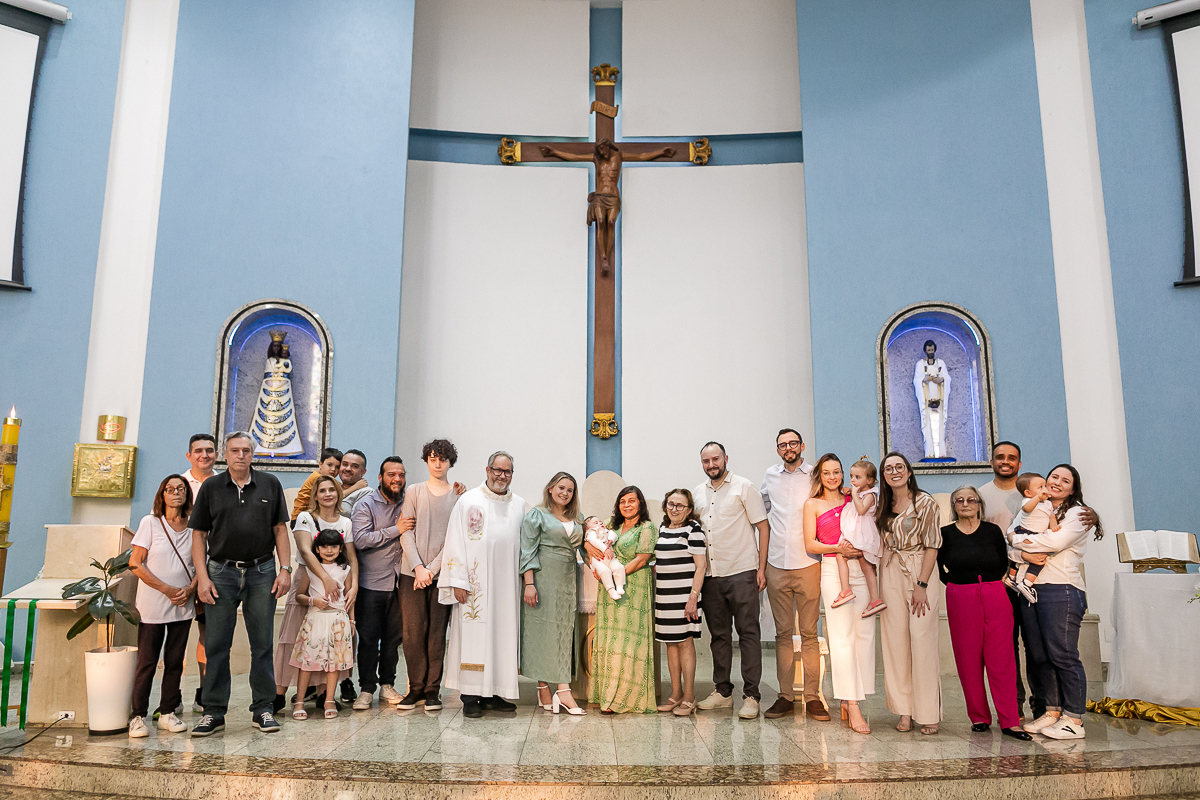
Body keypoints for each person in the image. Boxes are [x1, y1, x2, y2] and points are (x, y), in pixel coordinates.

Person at [189, 432, 291, 737]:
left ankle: (263, 709)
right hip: (221, 573)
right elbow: (198, 536)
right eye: (235, 450)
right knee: (217, 644)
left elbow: (280, 530)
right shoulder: (211, 487)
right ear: (225, 453)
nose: (240, 455)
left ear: (253, 454)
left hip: (262, 572)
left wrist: (285, 569)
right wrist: (202, 578)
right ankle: (213, 712)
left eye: (246, 450)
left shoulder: (270, 484)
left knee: (262, 644)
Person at [937, 486, 1031, 741]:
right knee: (968, 659)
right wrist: (959, 585)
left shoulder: (992, 531)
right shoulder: (945, 534)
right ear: (954, 506)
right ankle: (979, 717)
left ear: (979, 503)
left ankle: (1010, 721)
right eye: (959, 500)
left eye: (971, 499)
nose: (965, 503)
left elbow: (1003, 562)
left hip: (994, 594)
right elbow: (941, 569)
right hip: (960, 596)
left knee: (1002, 660)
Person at [1015, 464, 1102, 741]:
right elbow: (1010, 538)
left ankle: (1074, 719)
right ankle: (1052, 711)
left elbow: (1053, 542)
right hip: (1032, 590)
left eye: (1066, 481)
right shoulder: (1034, 507)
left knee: (1063, 655)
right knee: (1040, 655)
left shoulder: (1079, 514)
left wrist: (1018, 540)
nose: (1057, 483)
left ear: (1073, 488)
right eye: (1054, 477)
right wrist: (1016, 540)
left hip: (1062, 589)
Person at [438, 452, 524, 718]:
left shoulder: (520, 505)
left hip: (507, 588)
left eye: (507, 472)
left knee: (502, 636)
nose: (501, 476)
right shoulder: (468, 501)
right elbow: (454, 542)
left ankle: (495, 692)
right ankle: (472, 696)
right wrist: (457, 581)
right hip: (475, 587)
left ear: (512, 474)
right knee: (474, 637)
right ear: (487, 470)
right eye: (497, 470)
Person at [694, 442, 769, 719]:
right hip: (712, 576)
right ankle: (723, 692)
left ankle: (751, 695)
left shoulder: (744, 487)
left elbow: (763, 526)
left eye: (715, 459)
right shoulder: (698, 493)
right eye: (706, 461)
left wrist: (761, 568)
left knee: (748, 634)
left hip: (743, 571)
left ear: (725, 458)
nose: (711, 464)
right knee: (719, 637)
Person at [803, 454, 875, 735]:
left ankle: (852, 697)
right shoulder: (813, 504)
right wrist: (839, 549)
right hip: (834, 567)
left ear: (844, 474)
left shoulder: (852, 499)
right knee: (842, 636)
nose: (832, 477)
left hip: (862, 565)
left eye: (837, 472)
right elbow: (810, 542)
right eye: (826, 472)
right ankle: (851, 702)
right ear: (819, 476)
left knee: (864, 634)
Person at [273, 474, 357, 713]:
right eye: (322, 490)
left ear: (338, 493)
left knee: (328, 640)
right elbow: (306, 550)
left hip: (338, 583)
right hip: (308, 577)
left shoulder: (345, 522)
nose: (327, 494)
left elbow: (351, 557)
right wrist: (326, 579)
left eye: (332, 489)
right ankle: (280, 693)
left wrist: (355, 586)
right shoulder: (305, 517)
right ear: (315, 495)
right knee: (294, 638)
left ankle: (323, 694)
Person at [759, 428, 827, 721]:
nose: (788, 448)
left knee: (810, 633)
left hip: (809, 561)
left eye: (792, 443)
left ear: (801, 446)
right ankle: (786, 696)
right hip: (776, 563)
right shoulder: (770, 476)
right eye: (782, 445)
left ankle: (812, 697)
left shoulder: (815, 475)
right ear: (778, 450)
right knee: (783, 634)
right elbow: (761, 513)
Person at [877, 451, 943, 735]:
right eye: (888, 468)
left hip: (920, 569)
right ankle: (904, 710)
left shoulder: (925, 502)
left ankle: (928, 712)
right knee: (895, 642)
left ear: (908, 471)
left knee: (922, 639)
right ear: (883, 475)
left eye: (899, 467)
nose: (894, 471)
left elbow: (933, 545)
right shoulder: (882, 505)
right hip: (890, 568)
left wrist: (922, 584)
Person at [396, 439, 463, 711]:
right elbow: (405, 530)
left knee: (436, 634)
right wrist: (418, 568)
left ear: (450, 463)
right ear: (426, 460)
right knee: (412, 634)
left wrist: (432, 569)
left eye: (443, 459)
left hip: (442, 575)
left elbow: (455, 539)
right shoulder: (413, 491)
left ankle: (433, 690)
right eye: (433, 458)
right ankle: (415, 689)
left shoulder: (458, 496)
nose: (438, 463)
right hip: (411, 572)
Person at [128, 475, 197, 737]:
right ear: (162, 495)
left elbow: (200, 562)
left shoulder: (194, 527)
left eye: (181, 489)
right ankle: (137, 716)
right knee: (147, 661)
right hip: (154, 603)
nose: (176, 493)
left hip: (182, 603)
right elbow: (136, 563)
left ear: (187, 495)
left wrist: (189, 589)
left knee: (175, 661)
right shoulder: (150, 523)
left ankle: (167, 711)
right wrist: (166, 589)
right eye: (170, 489)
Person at [350, 456, 413, 710]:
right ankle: (366, 689)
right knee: (368, 638)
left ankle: (387, 685)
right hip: (371, 583)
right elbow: (361, 539)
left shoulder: (409, 501)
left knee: (392, 639)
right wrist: (396, 530)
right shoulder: (365, 504)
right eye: (391, 475)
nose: (397, 479)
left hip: (400, 584)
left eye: (401, 475)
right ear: (380, 477)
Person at [520, 472, 586, 715]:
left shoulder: (577, 518)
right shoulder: (537, 515)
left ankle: (559, 688)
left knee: (564, 633)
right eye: (561, 488)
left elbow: (586, 549)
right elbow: (527, 550)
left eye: (569, 490)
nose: (565, 493)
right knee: (542, 632)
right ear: (550, 489)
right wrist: (529, 583)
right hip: (543, 577)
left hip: (568, 579)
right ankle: (548, 687)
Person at [588, 485, 657, 714]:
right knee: (611, 640)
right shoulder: (610, 524)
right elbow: (589, 538)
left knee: (629, 643)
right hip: (608, 589)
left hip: (634, 587)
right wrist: (591, 550)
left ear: (640, 503)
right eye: (622, 501)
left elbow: (642, 558)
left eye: (632, 501)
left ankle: (628, 697)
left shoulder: (646, 527)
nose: (626, 505)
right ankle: (607, 694)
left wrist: (618, 575)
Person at [289, 530, 355, 721]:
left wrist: (352, 620)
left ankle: (329, 700)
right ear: (317, 549)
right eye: (324, 546)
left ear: (340, 548)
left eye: (333, 546)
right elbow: (298, 596)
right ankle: (299, 701)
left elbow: (349, 598)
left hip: (338, 620)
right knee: (307, 663)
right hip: (316, 618)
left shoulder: (345, 570)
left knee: (334, 665)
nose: (329, 550)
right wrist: (313, 601)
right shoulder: (311, 569)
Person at [653, 489, 707, 717]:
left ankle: (689, 696)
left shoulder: (693, 530)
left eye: (680, 506)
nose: (674, 509)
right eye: (671, 504)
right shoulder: (663, 529)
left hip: (686, 597)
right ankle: (675, 694)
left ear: (689, 509)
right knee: (670, 644)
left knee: (685, 643)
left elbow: (701, 566)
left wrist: (693, 597)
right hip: (665, 596)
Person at [183, 433, 216, 712]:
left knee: (208, 634)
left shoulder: (223, 483)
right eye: (198, 451)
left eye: (209, 450)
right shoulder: (179, 486)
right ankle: (171, 698)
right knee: (178, 634)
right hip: (181, 570)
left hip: (214, 568)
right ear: (189, 456)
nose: (204, 455)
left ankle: (205, 691)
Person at [834, 457, 885, 616]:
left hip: (863, 533)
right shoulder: (862, 492)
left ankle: (865, 596)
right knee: (848, 558)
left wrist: (855, 493)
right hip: (857, 532)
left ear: (869, 480)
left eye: (858, 477)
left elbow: (861, 510)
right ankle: (849, 590)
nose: (853, 480)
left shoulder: (870, 494)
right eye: (851, 476)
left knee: (864, 565)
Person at [1003, 473, 1060, 604]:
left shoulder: (1048, 504)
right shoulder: (1028, 501)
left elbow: (1051, 516)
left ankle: (1024, 582)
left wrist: (1054, 526)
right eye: (1040, 487)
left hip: (1037, 534)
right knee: (1022, 557)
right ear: (1028, 493)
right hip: (1025, 531)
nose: (1045, 489)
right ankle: (1015, 579)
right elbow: (1027, 509)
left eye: (1045, 486)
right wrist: (1038, 497)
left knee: (1038, 558)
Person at [251, 331, 303, 457]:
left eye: (278, 346)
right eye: (274, 346)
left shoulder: (285, 361)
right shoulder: (270, 361)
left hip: (284, 389)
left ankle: (287, 447)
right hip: (269, 391)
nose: (276, 348)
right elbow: (269, 372)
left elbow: (287, 369)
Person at [913, 339, 951, 459]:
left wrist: (941, 380)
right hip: (926, 399)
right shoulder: (920, 364)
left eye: (932, 350)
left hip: (939, 399)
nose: (930, 352)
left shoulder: (941, 363)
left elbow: (947, 378)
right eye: (928, 350)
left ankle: (941, 453)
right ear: (925, 350)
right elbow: (916, 380)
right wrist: (925, 379)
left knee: (940, 425)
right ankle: (929, 452)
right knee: (927, 425)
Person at [292, 448, 343, 520]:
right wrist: (356, 486)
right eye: (329, 465)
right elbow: (340, 494)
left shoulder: (327, 480)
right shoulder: (318, 478)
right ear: (320, 465)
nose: (333, 469)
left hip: (313, 515)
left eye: (337, 467)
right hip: (300, 517)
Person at [583, 517, 625, 601]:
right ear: (588, 528)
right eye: (595, 523)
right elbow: (594, 541)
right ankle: (611, 591)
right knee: (605, 571)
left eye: (600, 521)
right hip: (598, 560)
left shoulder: (606, 531)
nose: (600, 523)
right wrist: (605, 549)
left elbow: (614, 534)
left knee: (619, 567)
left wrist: (610, 540)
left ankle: (620, 586)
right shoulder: (591, 533)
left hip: (610, 558)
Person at [339, 449, 372, 516]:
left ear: (363, 472)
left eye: (355, 466)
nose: (348, 469)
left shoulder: (366, 492)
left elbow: (358, 521)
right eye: (345, 464)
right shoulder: (332, 486)